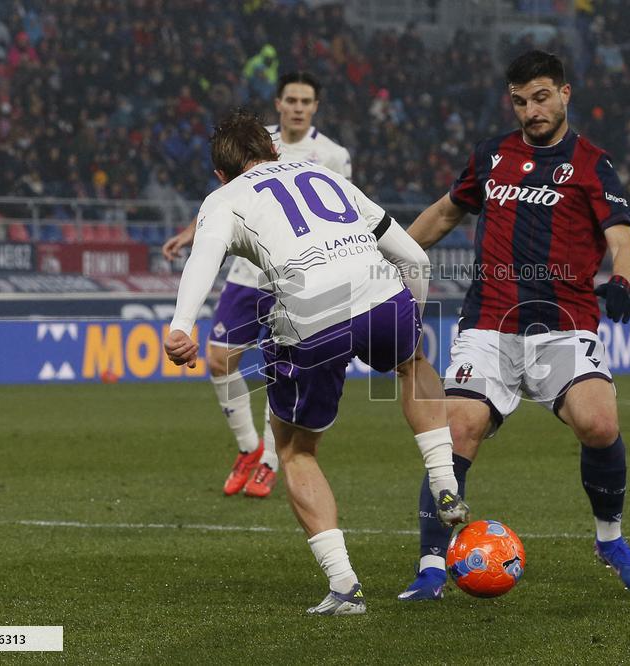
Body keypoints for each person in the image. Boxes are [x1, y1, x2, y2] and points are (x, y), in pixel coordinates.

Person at [164, 110, 469, 615]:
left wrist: (181, 325)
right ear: (275, 151)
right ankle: (444, 480)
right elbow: (414, 257)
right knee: (413, 366)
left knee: (296, 450)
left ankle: (345, 586)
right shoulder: (325, 175)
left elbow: (203, 258)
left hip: (310, 309)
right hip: (381, 290)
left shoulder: (223, 198)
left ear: (220, 173)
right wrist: (409, 319)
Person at [397, 50, 630, 600]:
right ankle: (430, 564)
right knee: (458, 428)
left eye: (540, 98)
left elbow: (623, 241)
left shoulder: (591, 164)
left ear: (565, 94)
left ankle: (610, 540)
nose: (531, 111)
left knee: (599, 422)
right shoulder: (491, 155)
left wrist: (623, 282)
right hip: (489, 321)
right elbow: (446, 212)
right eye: (520, 101)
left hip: (562, 324)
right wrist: (388, 252)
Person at [162, 72, 352, 499]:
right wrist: (193, 231)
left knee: (276, 370)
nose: (299, 107)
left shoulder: (333, 155)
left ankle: (269, 460)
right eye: (292, 100)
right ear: (279, 103)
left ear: (316, 107)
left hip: (296, 278)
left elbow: (343, 208)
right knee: (217, 359)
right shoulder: (255, 141)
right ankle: (248, 447)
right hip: (247, 275)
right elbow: (228, 197)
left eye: (307, 100)